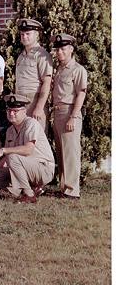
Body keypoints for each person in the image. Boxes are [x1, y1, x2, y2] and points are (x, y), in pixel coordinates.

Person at [0, 94, 55, 203]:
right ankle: (28, 189)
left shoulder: (31, 124)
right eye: (9, 111)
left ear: (24, 111)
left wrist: (3, 150)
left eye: (15, 111)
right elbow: (7, 158)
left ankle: (29, 195)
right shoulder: (10, 130)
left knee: (13, 157)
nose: (11, 114)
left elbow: (28, 150)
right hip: (25, 167)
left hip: (43, 168)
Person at [51, 34, 87, 199]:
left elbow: (81, 94)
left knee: (71, 153)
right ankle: (64, 187)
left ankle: (72, 191)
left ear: (71, 49)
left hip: (69, 113)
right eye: (57, 49)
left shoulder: (77, 69)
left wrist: (73, 117)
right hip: (57, 113)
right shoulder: (59, 69)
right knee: (61, 152)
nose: (60, 52)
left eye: (63, 49)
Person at [14, 18, 53, 130]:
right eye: (22, 34)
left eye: (28, 34)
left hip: (34, 100)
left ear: (36, 35)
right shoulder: (21, 56)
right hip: (20, 102)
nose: (24, 37)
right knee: (23, 137)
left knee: (36, 137)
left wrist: (39, 107)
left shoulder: (42, 55)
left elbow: (47, 82)